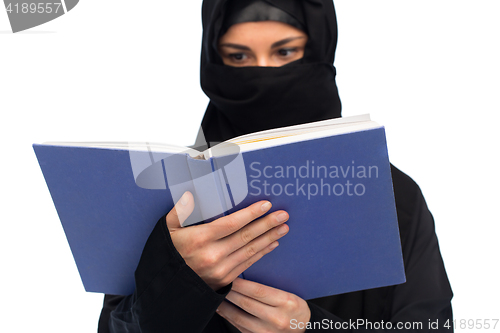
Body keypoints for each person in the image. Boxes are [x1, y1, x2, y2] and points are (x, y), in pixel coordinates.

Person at [98, 0, 453, 332]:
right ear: (213, 60)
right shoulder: (168, 193)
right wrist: (176, 283)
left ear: (318, 51)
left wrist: (311, 326)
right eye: (238, 57)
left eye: (285, 52)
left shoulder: (391, 195)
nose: (263, 74)